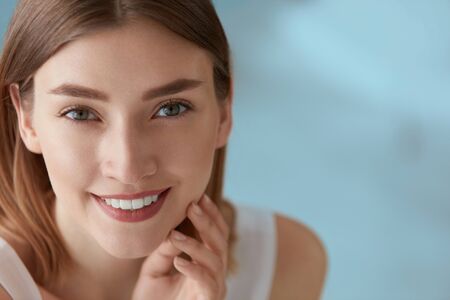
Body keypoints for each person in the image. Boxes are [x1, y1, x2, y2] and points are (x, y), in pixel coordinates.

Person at [0, 1, 327, 299]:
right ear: (26, 119)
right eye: (80, 113)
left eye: (171, 109)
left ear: (224, 112)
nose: (128, 168)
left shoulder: (285, 262)